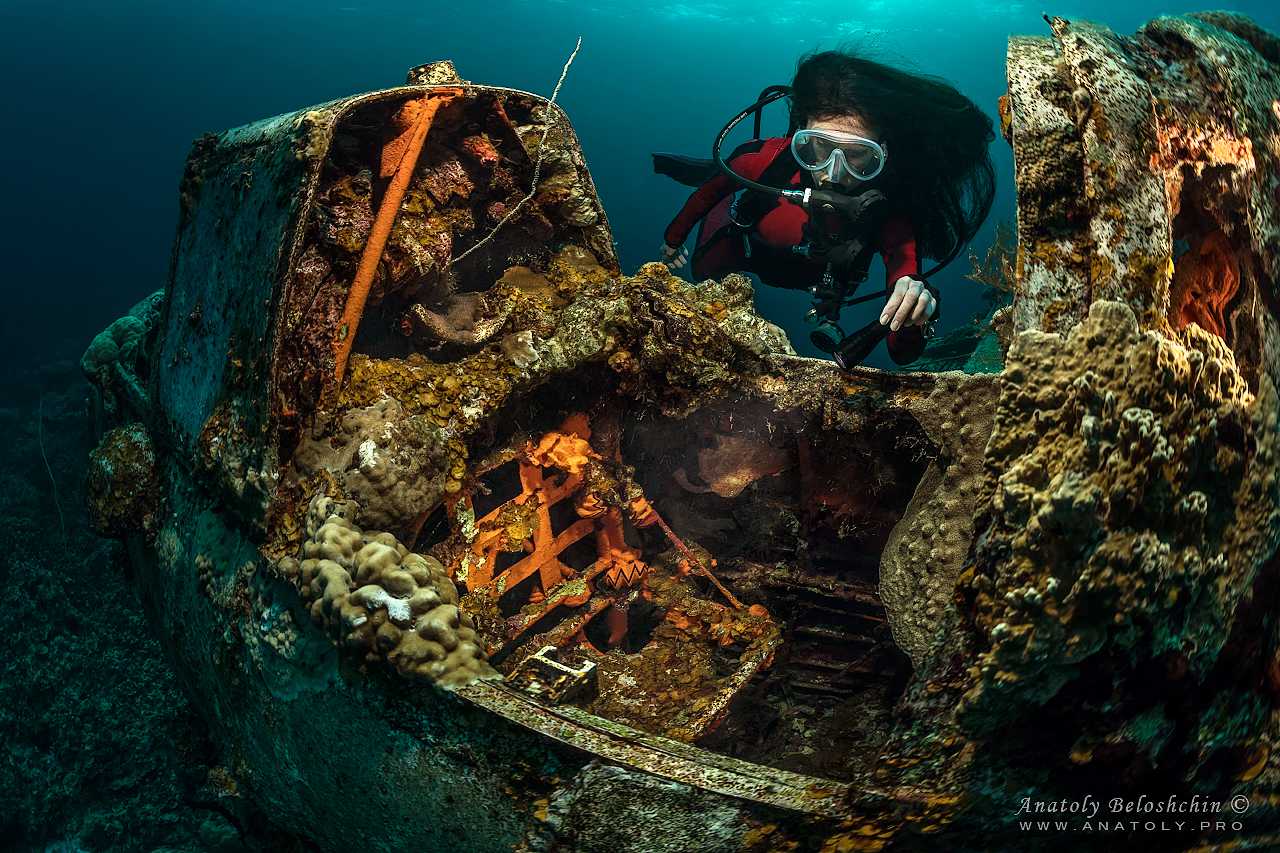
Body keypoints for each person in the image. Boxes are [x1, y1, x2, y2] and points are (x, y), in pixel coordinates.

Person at [655, 50, 995, 366]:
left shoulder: (890, 215)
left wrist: (915, 312)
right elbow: (707, 196)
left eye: (857, 155)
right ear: (799, 134)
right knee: (701, 273)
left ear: (884, 153)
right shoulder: (761, 161)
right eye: (817, 147)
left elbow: (901, 354)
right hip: (743, 250)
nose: (832, 172)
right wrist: (673, 239)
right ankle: (702, 169)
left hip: (817, 280)